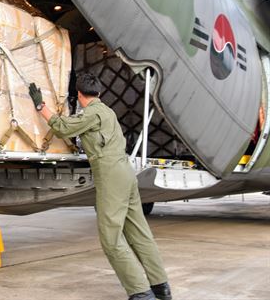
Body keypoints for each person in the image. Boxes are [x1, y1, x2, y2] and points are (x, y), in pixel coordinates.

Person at [29, 73, 172, 300]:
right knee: (139, 233)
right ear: (99, 92)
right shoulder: (108, 111)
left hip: (111, 175)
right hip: (126, 173)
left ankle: (141, 293)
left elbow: (63, 127)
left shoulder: (92, 113)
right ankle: (161, 288)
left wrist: (40, 105)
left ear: (79, 94)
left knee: (111, 240)